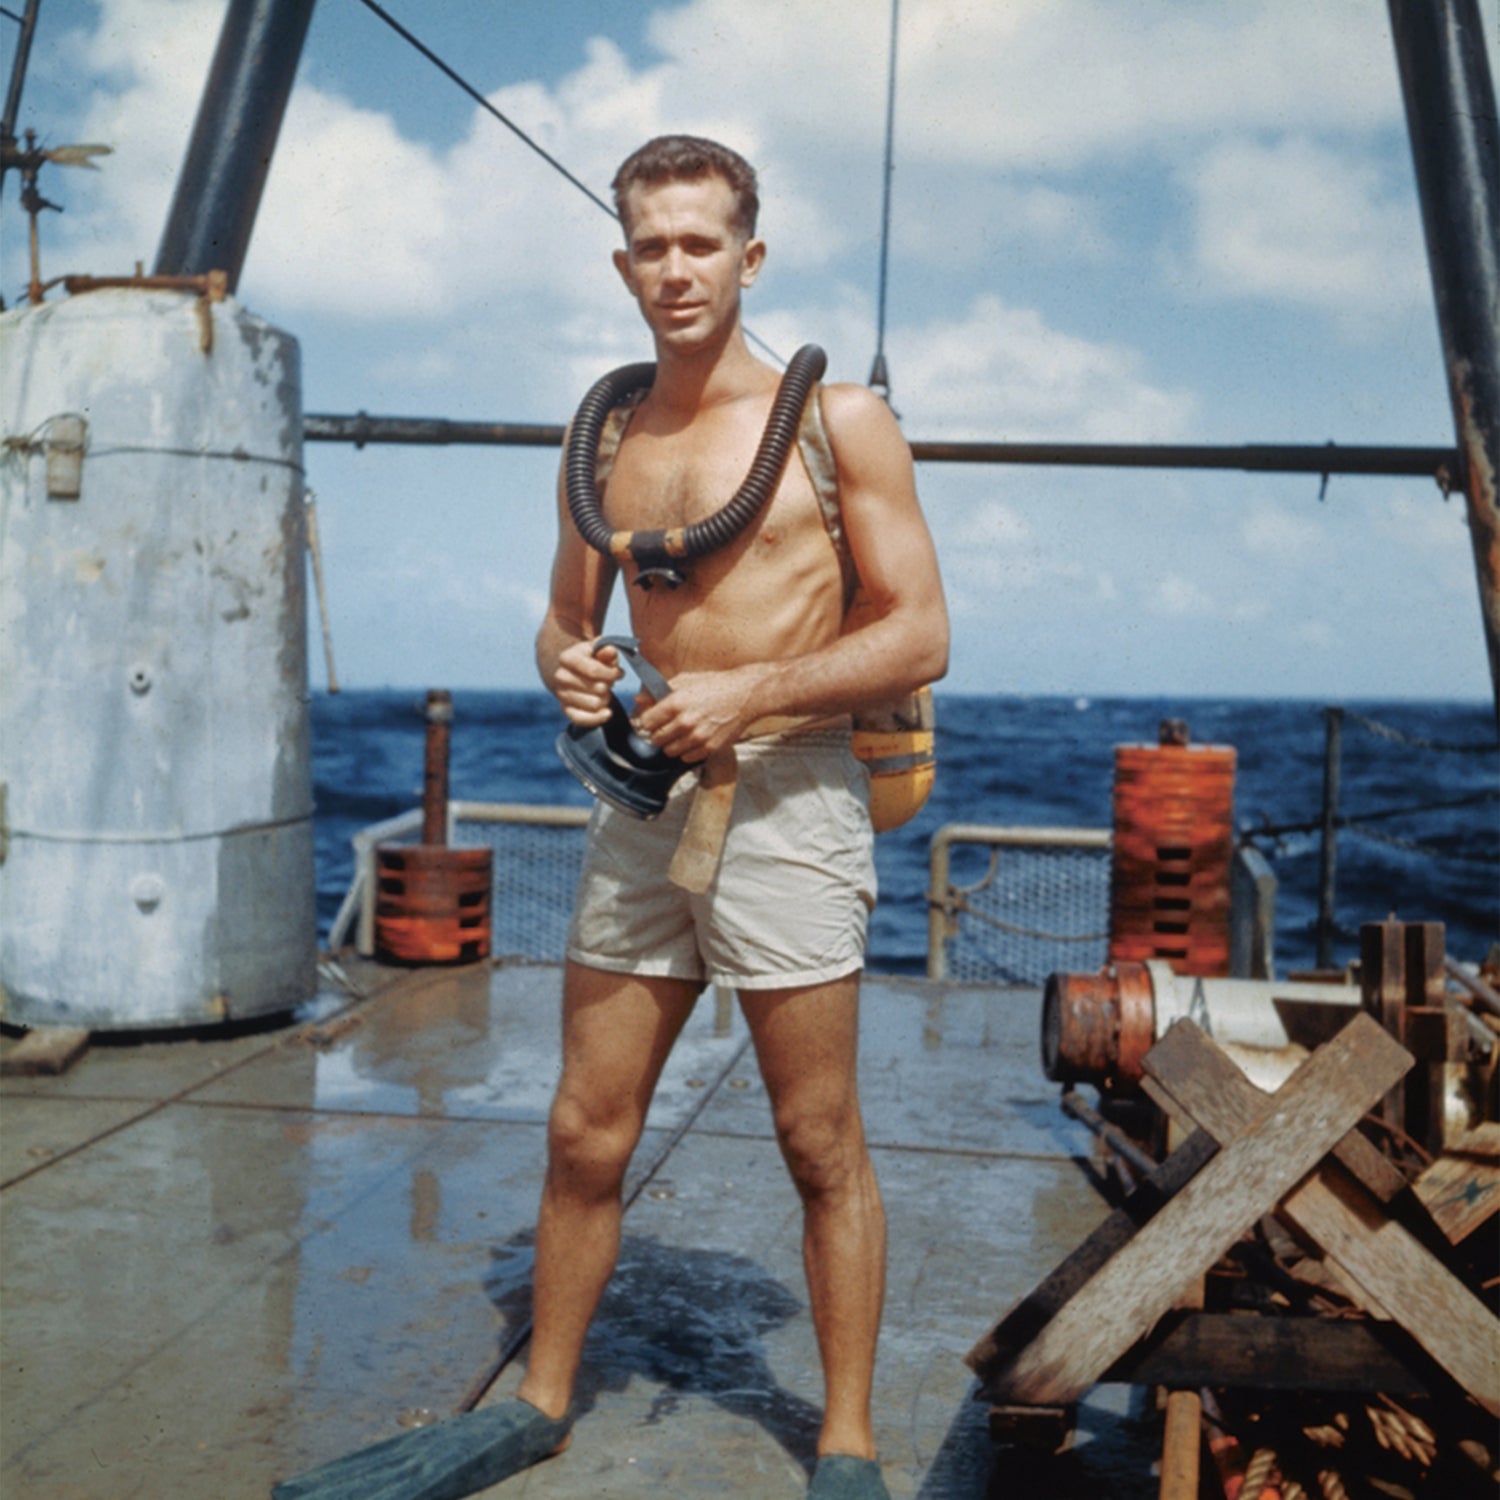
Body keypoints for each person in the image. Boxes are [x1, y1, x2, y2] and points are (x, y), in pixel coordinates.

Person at [517, 134, 948, 1498]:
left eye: (702, 242)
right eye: (652, 244)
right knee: (587, 1127)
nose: (676, 267)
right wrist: (571, 665)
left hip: (791, 797)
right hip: (644, 810)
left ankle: (845, 1443)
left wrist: (753, 688)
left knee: (818, 1140)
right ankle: (536, 1397)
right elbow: (562, 617)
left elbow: (924, 634)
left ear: (749, 257)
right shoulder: (603, 437)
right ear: (622, 261)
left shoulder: (839, 425)